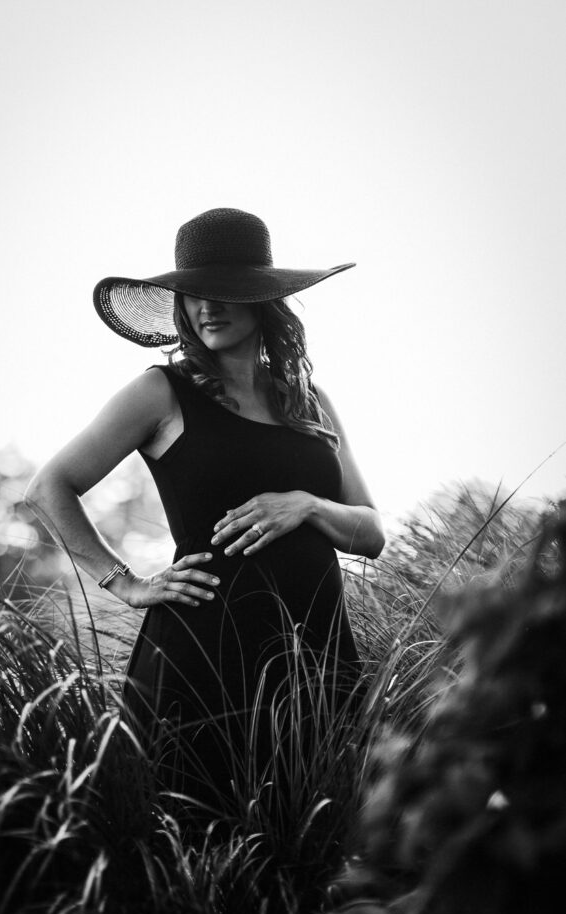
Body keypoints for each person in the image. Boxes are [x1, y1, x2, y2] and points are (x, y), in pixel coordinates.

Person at [27, 207, 385, 818]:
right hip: (205, 654)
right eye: (192, 294)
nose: (206, 308)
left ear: (263, 300)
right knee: (201, 841)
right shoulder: (161, 392)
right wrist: (127, 585)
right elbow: (49, 487)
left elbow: (371, 531)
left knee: (323, 840)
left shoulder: (308, 398)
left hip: (316, 651)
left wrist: (305, 504)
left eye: (224, 292)